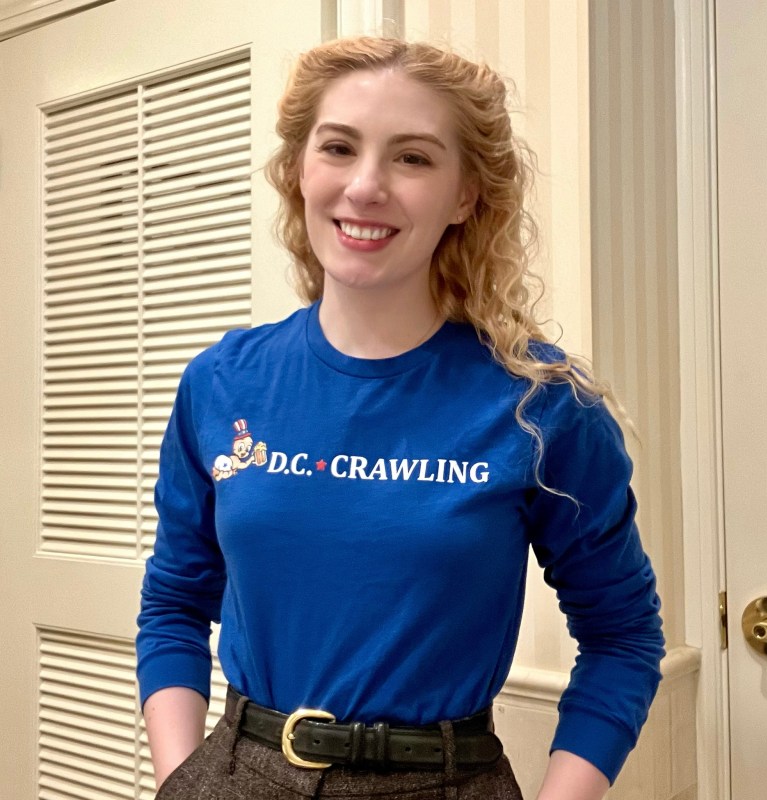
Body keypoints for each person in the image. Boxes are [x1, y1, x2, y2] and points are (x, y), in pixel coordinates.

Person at [136, 35, 664, 800]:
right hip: (236, 774)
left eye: (413, 158)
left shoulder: (541, 404)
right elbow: (175, 603)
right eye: (339, 148)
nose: (366, 186)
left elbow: (622, 636)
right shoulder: (223, 382)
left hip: (444, 781)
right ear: (298, 170)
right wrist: (182, 780)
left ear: (464, 195)